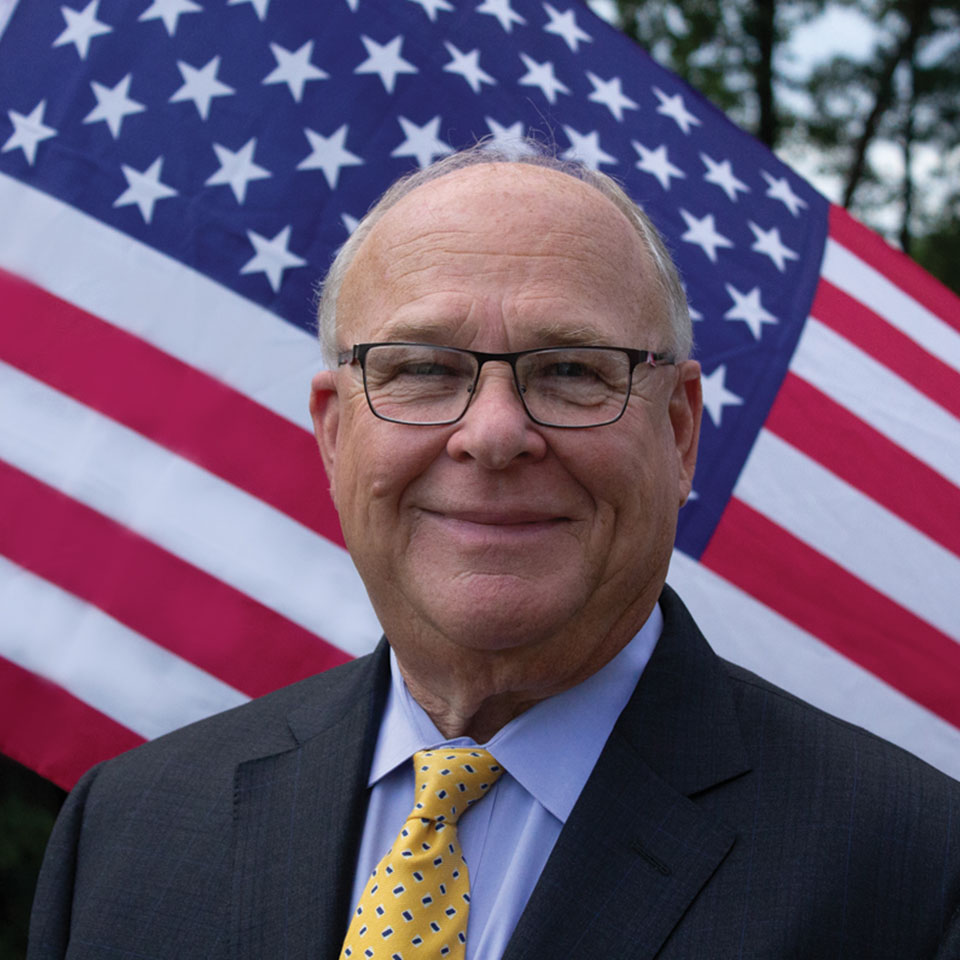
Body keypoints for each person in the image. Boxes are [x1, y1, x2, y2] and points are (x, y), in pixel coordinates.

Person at [29, 147, 960, 960]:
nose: (494, 435)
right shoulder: (128, 828)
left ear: (679, 434)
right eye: (423, 369)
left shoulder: (915, 873)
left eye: (571, 370)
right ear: (334, 434)